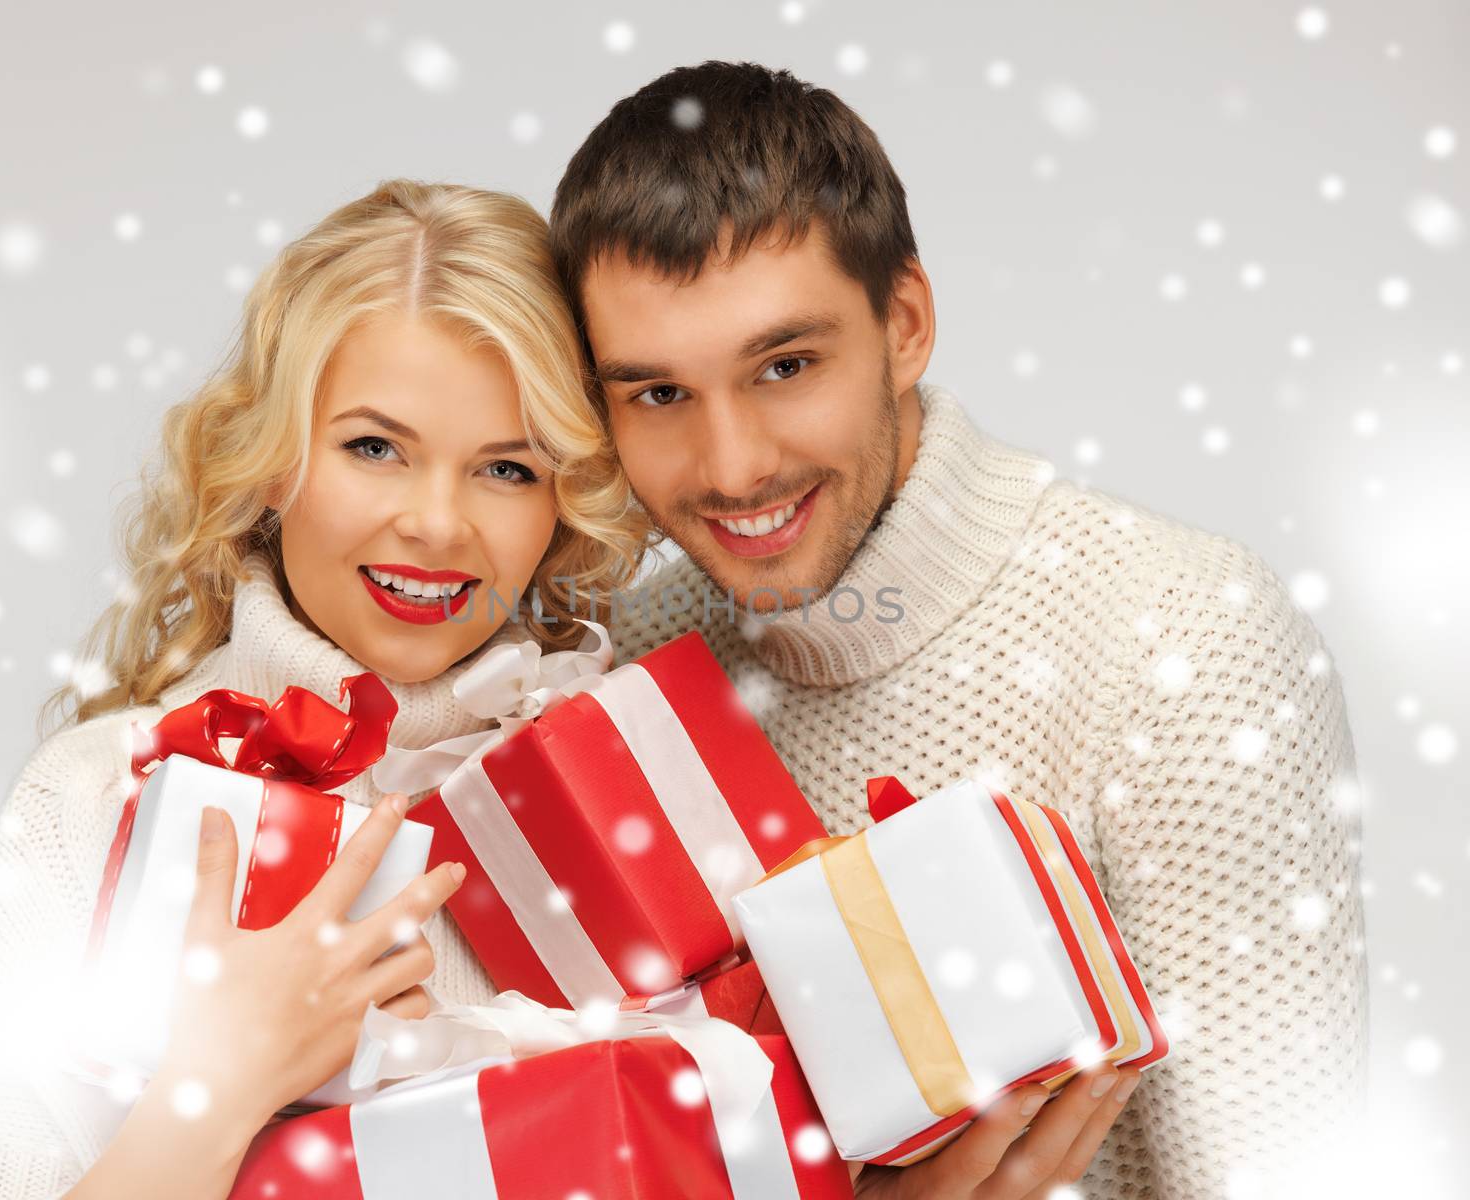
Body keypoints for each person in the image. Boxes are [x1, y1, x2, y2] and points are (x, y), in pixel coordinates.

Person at [550, 62, 1367, 1198]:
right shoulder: (631, 672)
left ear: (904, 325)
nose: (731, 466)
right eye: (657, 394)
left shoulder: (1176, 641)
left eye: (785, 366)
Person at [0, 179, 646, 1199]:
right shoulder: (90, 795)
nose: (438, 523)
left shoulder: (618, 784)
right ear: (273, 460)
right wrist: (222, 1085)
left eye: (506, 469)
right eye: (373, 447)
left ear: (562, 504)